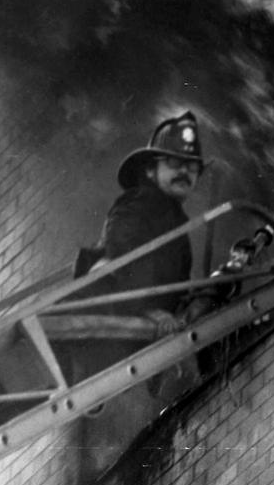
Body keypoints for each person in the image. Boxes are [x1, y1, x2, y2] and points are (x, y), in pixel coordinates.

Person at [75, 111, 205, 325]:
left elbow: (176, 290)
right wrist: (148, 310)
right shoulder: (141, 202)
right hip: (101, 319)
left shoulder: (177, 223)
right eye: (174, 162)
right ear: (150, 171)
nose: (184, 171)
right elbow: (122, 256)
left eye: (192, 166)